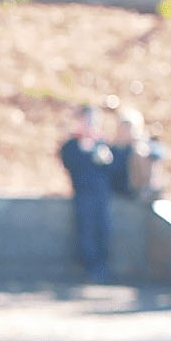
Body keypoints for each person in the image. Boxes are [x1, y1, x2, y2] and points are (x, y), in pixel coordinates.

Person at [60, 103, 116, 283]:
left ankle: (102, 265)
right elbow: (69, 163)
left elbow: (114, 170)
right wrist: (83, 151)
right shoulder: (72, 144)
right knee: (86, 230)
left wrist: (106, 159)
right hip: (83, 194)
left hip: (101, 194)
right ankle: (88, 266)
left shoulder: (102, 143)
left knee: (103, 229)